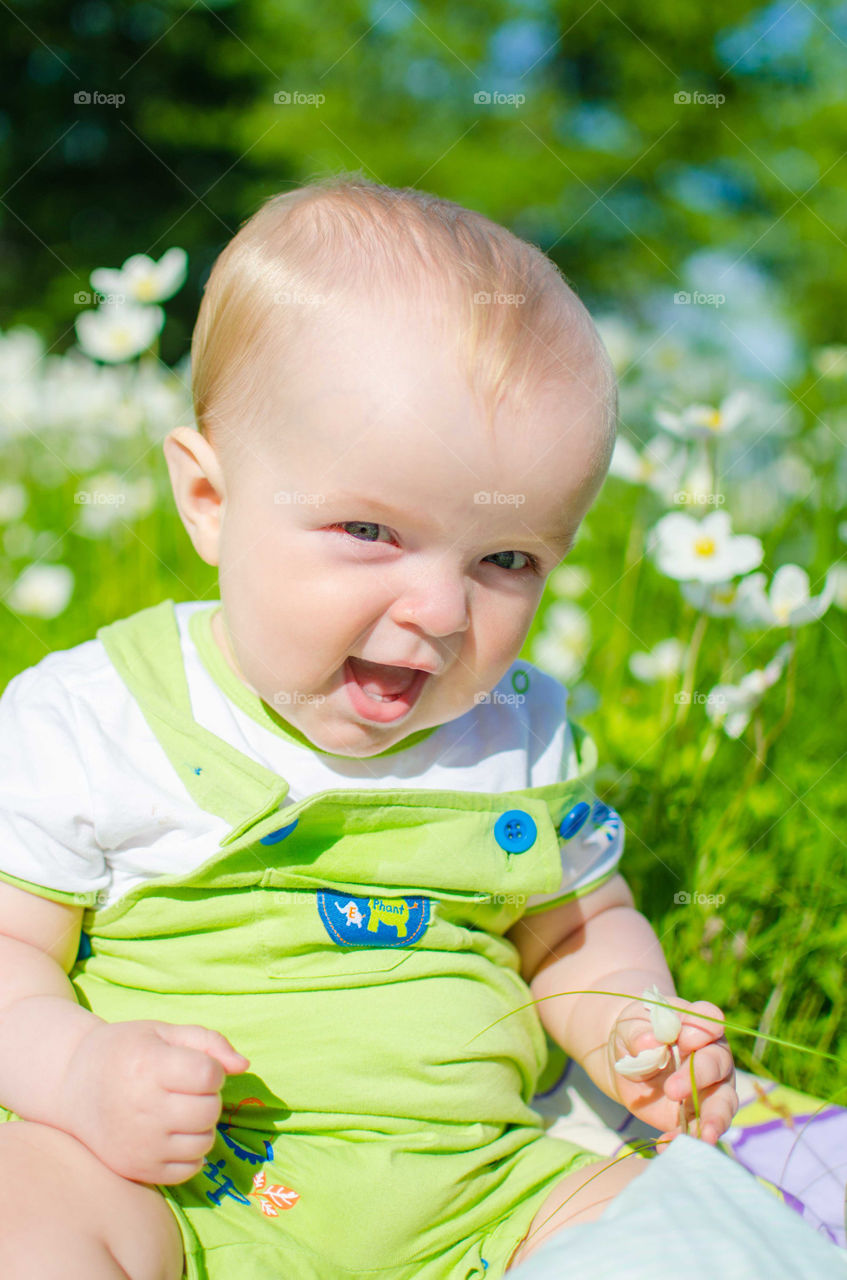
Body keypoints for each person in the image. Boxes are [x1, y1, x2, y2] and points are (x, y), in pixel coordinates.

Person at [0, 174, 737, 1280]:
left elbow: (578, 929)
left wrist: (633, 1028)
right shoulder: (97, 715)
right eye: (369, 529)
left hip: (484, 1195)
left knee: (704, 1234)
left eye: (506, 560)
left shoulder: (516, 733)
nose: (439, 612)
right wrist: (80, 1075)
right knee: (30, 1216)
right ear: (210, 499)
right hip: (171, 1188)